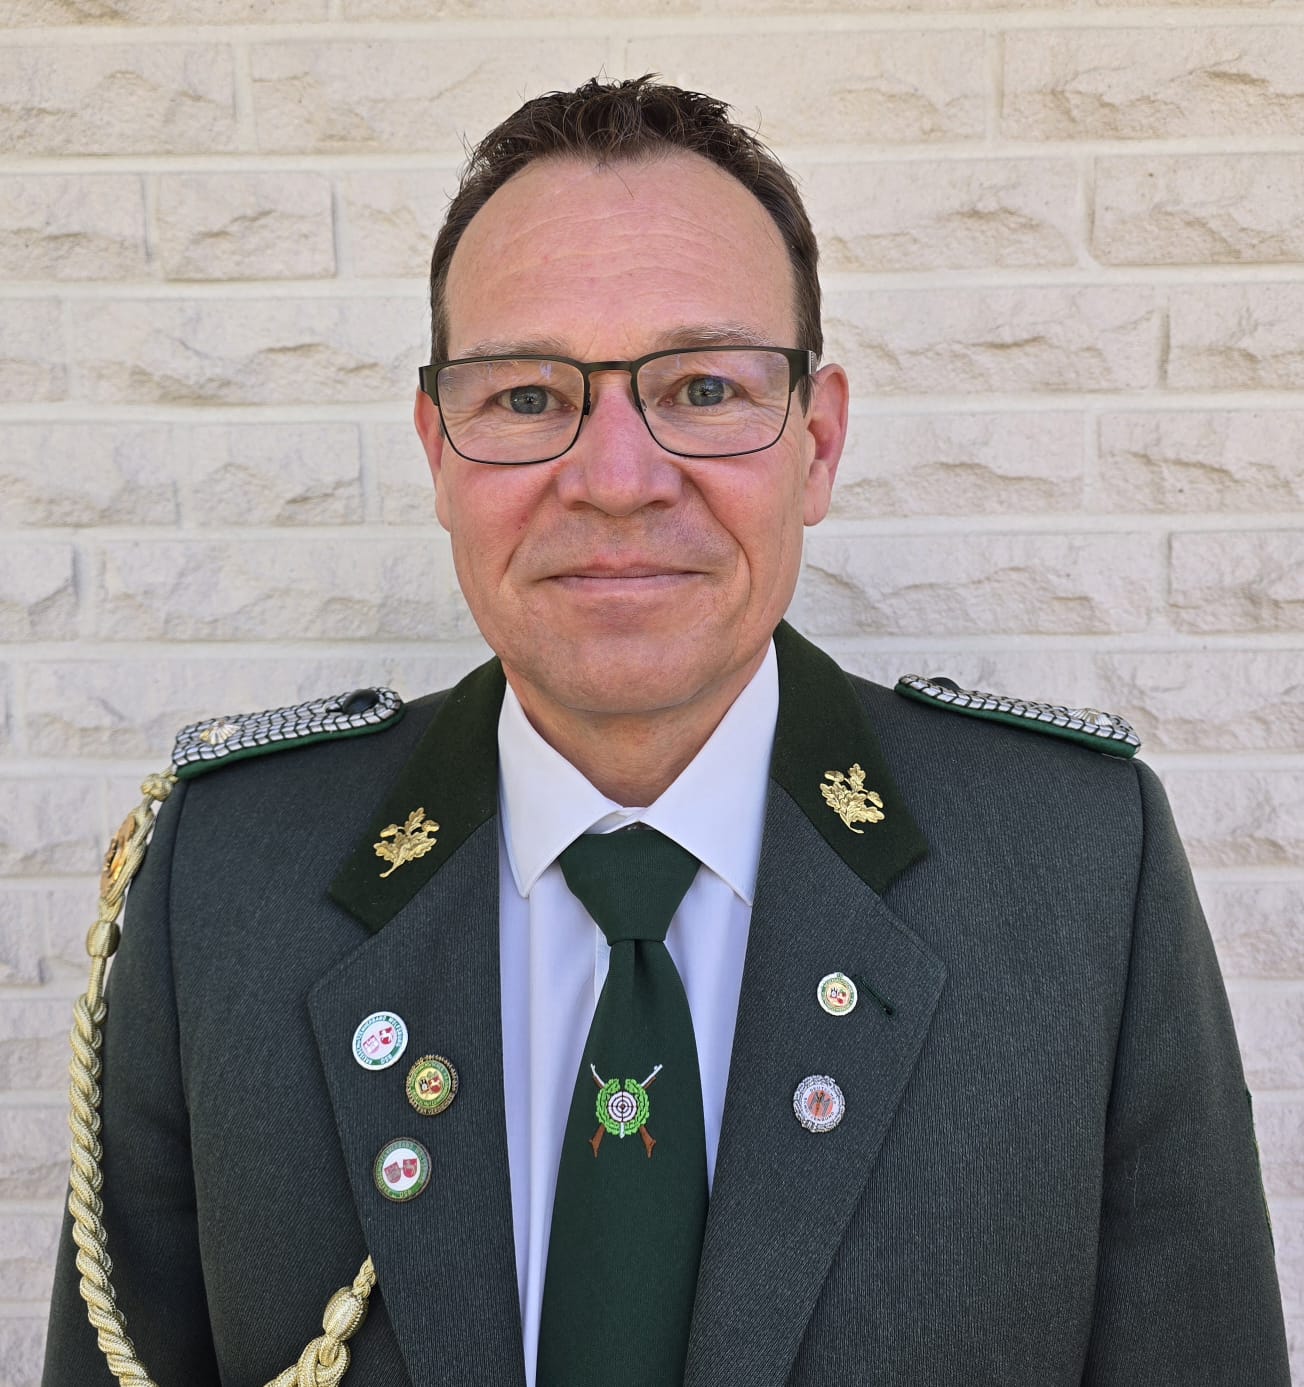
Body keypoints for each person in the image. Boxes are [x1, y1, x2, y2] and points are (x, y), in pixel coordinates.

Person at [43, 75, 1290, 1387]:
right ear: (438, 451)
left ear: (817, 443)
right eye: (529, 398)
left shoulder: (1076, 871)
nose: (618, 481)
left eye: (701, 387)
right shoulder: (228, 880)